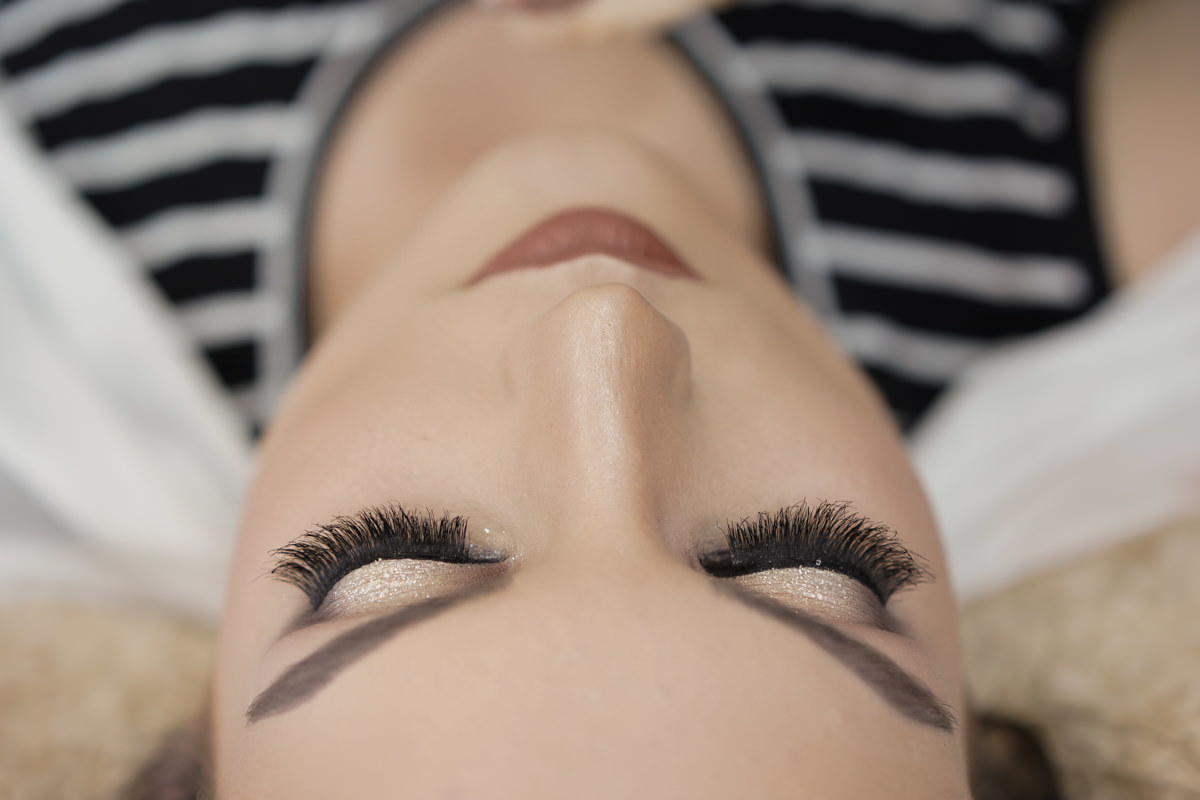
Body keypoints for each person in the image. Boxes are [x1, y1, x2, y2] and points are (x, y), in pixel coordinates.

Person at [0, 0, 1195, 796]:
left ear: (189, 734)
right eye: (813, 566)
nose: (605, 334)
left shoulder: (48, 210)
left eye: (387, 563)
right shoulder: (1054, 206)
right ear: (982, 724)